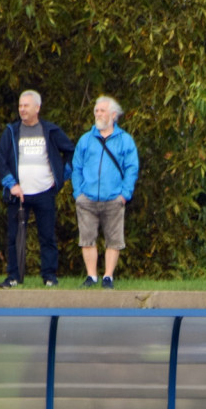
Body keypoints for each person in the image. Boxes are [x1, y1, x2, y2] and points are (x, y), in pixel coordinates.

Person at [0, 90, 75, 288]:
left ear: (37, 108)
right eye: (20, 106)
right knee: (14, 237)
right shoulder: (11, 131)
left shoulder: (50, 131)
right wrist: (11, 184)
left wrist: (61, 178)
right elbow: (2, 160)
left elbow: (71, 152)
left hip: (44, 192)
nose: (22, 109)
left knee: (47, 236)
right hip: (18, 194)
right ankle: (13, 276)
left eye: (26, 106)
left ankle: (49, 276)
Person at [71, 96, 139, 289]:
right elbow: (76, 167)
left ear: (113, 115)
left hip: (114, 198)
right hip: (87, 198)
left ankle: (108, 277)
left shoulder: (125, 140)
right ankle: (91, 276)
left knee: (114, 240)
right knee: (87, 239)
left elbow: (131, 168)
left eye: (102, 110)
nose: (98, 114)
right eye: (96, 110)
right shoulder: (85, 139)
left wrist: (125, 194)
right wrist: (78, 193)